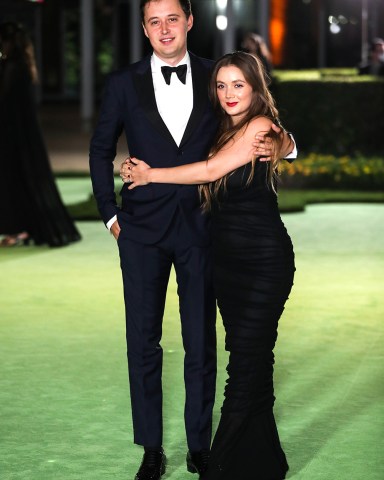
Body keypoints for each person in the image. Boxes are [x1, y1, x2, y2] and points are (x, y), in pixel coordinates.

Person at [89, 1, 295, 479]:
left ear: (189, 22)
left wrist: (287, 144)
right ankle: (151, 448)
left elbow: (255, 118)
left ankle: (201, 446)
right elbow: (101, 149)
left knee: (202, 341)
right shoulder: (123, 83)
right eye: (154, 21)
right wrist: (109, 217)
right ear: (144, 28)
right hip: (139, 230)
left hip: (204, 232)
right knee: (143, 341)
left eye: (172, 18)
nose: (164, 29)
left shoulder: (215, 76)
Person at [0, 21, 81, 247]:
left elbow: (6, 103)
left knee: (15, 181)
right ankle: (19, 229)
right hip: (19, 136)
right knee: (18, 181)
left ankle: (18, 230)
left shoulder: (14, 67)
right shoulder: (22, 65)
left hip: (13, 137)